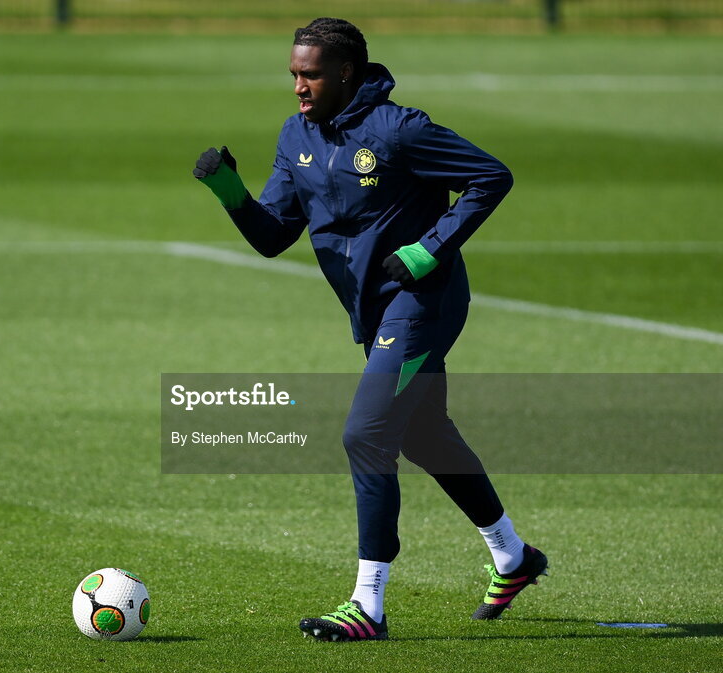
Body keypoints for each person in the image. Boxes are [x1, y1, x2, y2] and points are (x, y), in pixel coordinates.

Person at [192, 17, 547, 642]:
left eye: (310, 74)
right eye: (294, 74)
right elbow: (274, 236)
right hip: (373, 315)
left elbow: (492, 176)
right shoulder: (294, 136)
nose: (299, 86)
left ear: (345, 72)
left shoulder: (399, 130)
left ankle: (368, 605)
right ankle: (514, 556)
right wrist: (229, 193)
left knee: (366, 435)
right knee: (426, 437)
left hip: (422, 304)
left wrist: (429, 248)